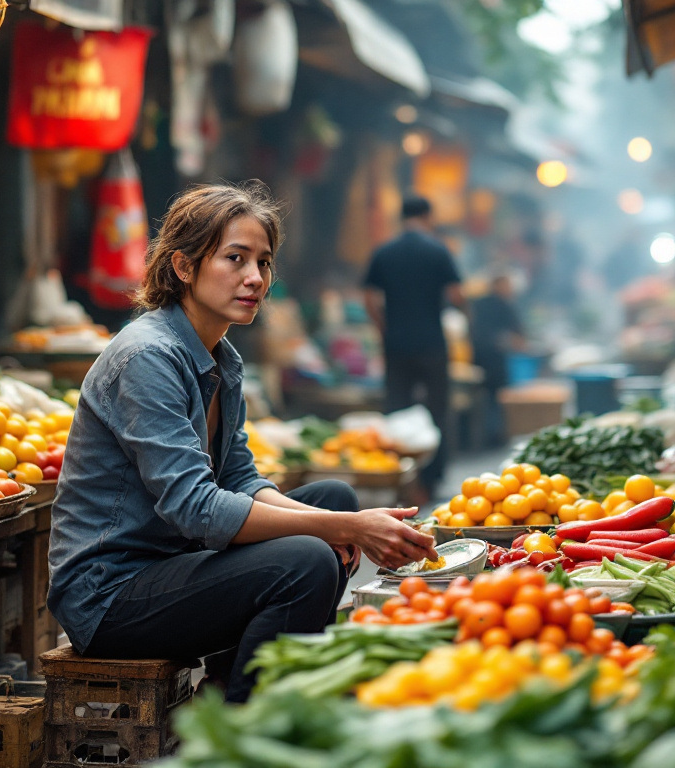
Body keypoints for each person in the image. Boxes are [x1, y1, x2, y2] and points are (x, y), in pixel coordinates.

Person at [48, 182, 437, 703]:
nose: (255, 278)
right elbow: (196, 509)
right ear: (183, 267)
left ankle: (236, 678)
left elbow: (238, 479)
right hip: (110, 594)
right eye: (235, 258)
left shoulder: (222, 359)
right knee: (309, 558)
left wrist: (341, 520)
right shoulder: (147, 358)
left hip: (174, 565)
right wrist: (347, 530)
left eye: (263, 262)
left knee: (333, 499)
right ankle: (243, 722)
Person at [363, 196, 466, 497]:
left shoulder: (384, 252)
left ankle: (402, 480)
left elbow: (369, 298)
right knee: (436, 410)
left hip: (396, 345)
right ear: (427, 216)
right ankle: (433, 477)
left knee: (397, 409)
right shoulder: (438, 249)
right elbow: (457, 294)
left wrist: (385, 328)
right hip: (432, 343)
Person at [469, 272, 525, 446]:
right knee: (496, 397)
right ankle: (495, 437)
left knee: (482, 398)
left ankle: (483, 437)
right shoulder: (503, 304)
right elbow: (519, 336)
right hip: (494, 358)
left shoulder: (477, 303)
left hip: (476, 357)